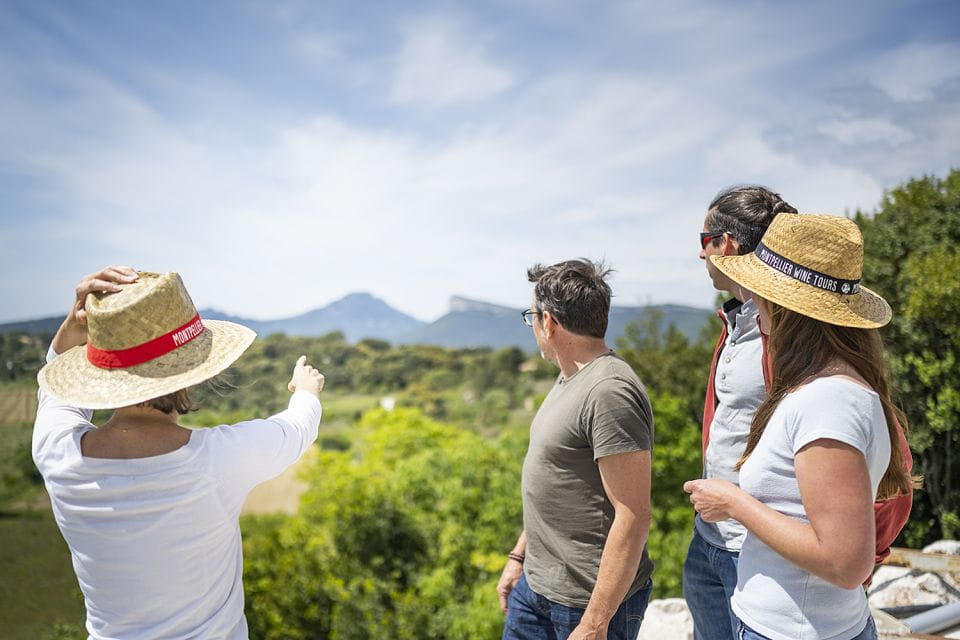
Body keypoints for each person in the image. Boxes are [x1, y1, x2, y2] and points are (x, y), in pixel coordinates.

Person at [34, 266, 324, 639]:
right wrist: (306, 390)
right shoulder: (216, 461)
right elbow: (297, 428)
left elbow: (52, 382)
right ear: (194, 368)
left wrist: (74, 321)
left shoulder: (57, 452)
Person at [684, 214, 915, 640]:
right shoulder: (836, 386)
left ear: (786, 306)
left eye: (762, 291)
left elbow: (846, 562)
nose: (754, 305)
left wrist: (734, 504)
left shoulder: (827, 401)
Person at [496, 259, 654, 640]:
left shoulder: (609, 391)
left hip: (584, 604)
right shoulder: (571, 377)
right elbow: (561, 484)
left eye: (530, 317)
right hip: (535, 589)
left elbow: (634, 516)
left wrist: (594, 623)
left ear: (548, 322)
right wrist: (519, 557)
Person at [685, 185, 798, 640]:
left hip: (762, 552)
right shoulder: (736, 323)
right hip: (710, 539)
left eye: (703, 239)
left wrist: (854, 558)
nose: (699, 254)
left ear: (725, 244)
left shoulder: (790, 332)